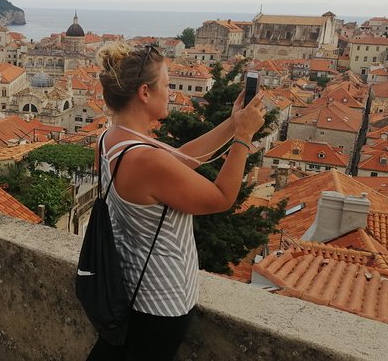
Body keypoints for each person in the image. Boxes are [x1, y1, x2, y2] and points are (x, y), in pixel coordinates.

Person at [87, 43, 265, 361]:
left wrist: (233, 122)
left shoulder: (111, 139)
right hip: (160, 299)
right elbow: (222, 198)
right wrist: (244, 138)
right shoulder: (144, 158)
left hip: (129, 286)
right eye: (167, 85)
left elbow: (181, 160)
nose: (170, 92)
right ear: (145, 92)